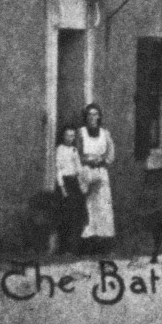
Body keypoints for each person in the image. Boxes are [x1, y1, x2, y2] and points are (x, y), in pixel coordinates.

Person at [78, 103, 116, 253]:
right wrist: (88, 160)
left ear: (99, 116)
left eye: (95, 114)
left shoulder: (105, 133)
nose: (92, 117)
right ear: (86, 117)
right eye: (89, 115)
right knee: (89, 207)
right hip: (86, 171)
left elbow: (111, 153)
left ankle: (104, 243)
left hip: (101, 172)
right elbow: (77, 153)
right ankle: (88, 244)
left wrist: (103, 161)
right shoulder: (81, 133)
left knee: (103, 207)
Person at [54, 125, 87, 254]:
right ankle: (64, 247)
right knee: (66, 215)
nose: (70, 138)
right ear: (63, 136)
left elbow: (78, 167)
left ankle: (75, 247)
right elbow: (58, 169)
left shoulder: (74, 150)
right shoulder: (60, 150)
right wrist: (62, 188)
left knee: (77, 215)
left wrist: (82, 183)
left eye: (72, 136)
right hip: (65, 183)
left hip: (74, 183)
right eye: (68, 135)